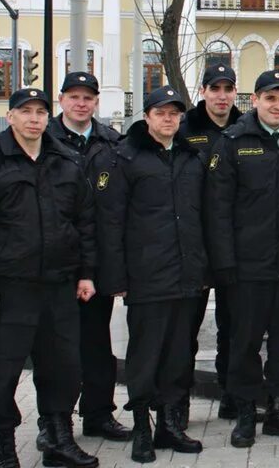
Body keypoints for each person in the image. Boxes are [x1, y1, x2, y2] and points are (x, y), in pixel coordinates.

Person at [0, 88, 99, 468]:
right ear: (10, 117)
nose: (34, 119)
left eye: (40, 111)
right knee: (4, 372)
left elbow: (84, 222)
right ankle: (4, 450)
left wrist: (86, 274)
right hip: (10, 287)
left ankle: (58, 440)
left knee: (63, 368)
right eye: (25, 112)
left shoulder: (65, 160)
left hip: (59, 285)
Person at [205, 70, 279, 448]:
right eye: (270, 98)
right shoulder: (234, 141)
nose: (277, 105)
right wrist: (224, 265)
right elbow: (217, 209)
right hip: (246, 267)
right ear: (254, 100)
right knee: (244, 344)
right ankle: (244, 413)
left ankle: (278, 412)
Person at [96, 87, 206, 463]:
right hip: (147, 277)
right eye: (161, 113)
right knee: (145, 355)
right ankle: (142, 425)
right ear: (147, 116)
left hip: (188, 275)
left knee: (179, 355)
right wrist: (117, 279)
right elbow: (111, 223)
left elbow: (202, 217)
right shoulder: (126, 157)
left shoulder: (192, 157)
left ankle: (169, 426)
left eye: (174, 113)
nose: (168, 119)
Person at [45, 72, 130, 444]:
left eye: (88, 98)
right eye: (74, 96)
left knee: (97, 344)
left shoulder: (111, 142)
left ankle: (99, 414)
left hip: (97, 263)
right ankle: (54, 423)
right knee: (57, 349)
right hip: (55, 264)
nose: (81, 103)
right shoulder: (42, 140)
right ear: (61, 100)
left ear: (96, 102)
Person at [177, 63, 243, 424]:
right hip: (194, 246)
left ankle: (231, 395)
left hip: (233, 246)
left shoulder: (244, 127)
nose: (221, 96)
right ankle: (179, 402)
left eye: (227, 89)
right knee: (186, 329)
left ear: (235, 92)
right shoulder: (186, 128)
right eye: (214, 88)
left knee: (233, 327)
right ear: (203, 91)